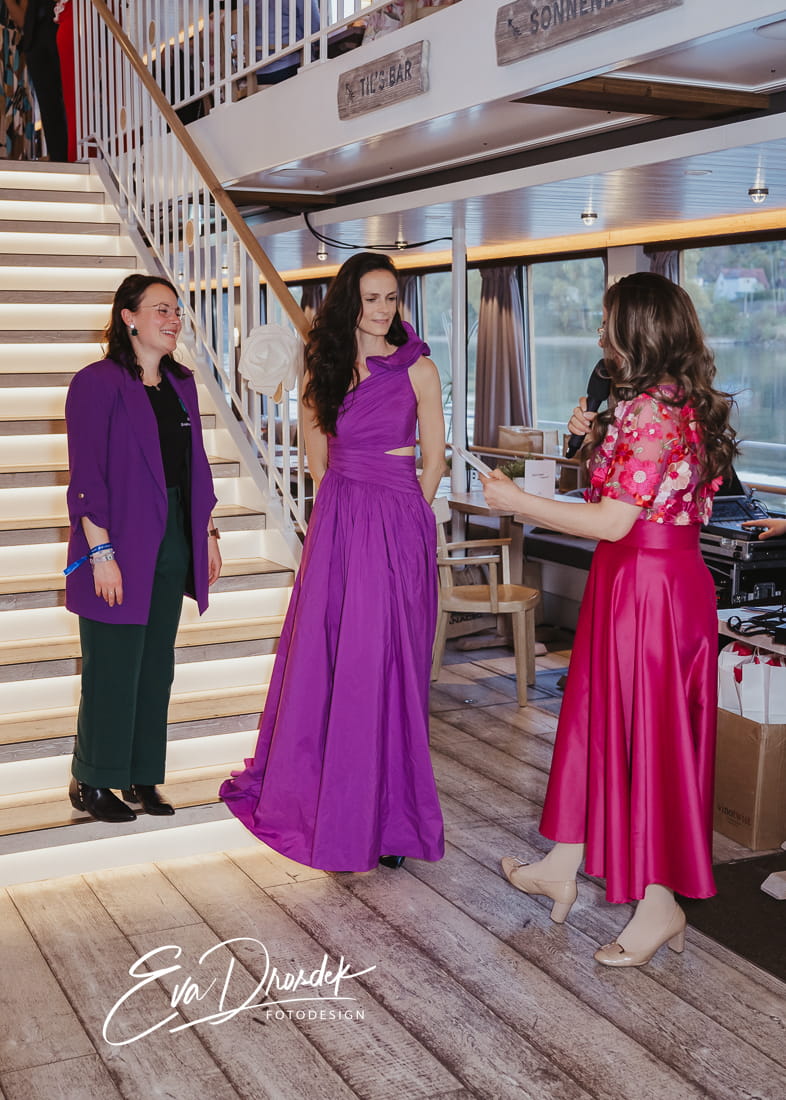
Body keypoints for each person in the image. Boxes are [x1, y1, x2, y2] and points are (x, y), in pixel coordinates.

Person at [482, 273, 737, 967]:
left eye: (608, 323)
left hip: (650, 587)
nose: (600, 335)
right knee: (601, 722)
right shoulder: (666, 402)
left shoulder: (653, 410)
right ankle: (563, 863)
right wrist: (595, 434)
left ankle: (659, 904)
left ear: (636, 331)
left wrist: (519, 503)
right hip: (641, 581)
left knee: (647, 740)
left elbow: (614, 520)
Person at [220, 252, 446, 872]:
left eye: (392, 298)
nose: (383, 309)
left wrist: (411, 513)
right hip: (341, 521)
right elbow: (317, 459)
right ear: (350, 301)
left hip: (399, 521)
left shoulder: (419, 367)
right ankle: (339, 808)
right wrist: (339, 521)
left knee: (393, 665)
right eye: (372, 298)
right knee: (337, 659)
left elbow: (434, 458)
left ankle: (392, 818)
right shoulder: (322, 365)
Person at [64, 275, 222, 823]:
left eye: (176, 310)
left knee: (156, 666)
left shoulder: (180, 382)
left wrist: (207, 534)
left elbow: (194, 466)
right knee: (112, 665)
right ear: (128, 318)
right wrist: (101, 554)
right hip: (116, 539)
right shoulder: (96, 383)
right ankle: (92, 779)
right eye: (161, 310)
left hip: (173, 536)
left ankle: (141, 775)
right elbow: (87, 476)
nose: (173, 319)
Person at [1, 0, 68, 160]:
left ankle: (69, 154)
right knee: (47, 105)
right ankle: (58, 157)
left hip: (57, 30)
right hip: (34, 40)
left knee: (66, 98)